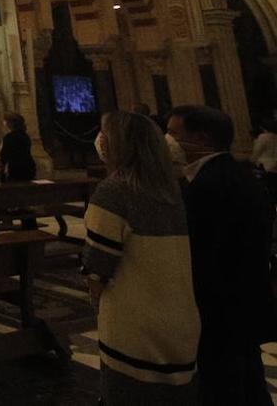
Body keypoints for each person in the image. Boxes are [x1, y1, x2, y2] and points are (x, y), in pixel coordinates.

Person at [82, 111, 199, 405]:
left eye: (105, 135)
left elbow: (97, 269)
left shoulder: (114, 192)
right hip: (180, 320)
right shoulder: (173, 191)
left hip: (133, 327)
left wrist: (98, 303)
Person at [167, 106, 275, 405]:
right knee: (247, 377)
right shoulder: (238, 174)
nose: (169, 139)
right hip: (245, 298)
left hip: (219, 305)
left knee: (223, 381)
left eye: (175, 133)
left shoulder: (209, 186)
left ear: (201, 138)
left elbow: (204, 251)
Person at [0, 112, 37, 182]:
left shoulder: (9, 137)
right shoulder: (25, 136)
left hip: (15, 169)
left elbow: (4, 156)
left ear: (10, 123)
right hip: (28, 167)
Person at [250, 118, 277, 201]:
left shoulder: (263, 137)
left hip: (265, 167)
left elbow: (256, 152)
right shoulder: (275, 137)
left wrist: (251, 161)